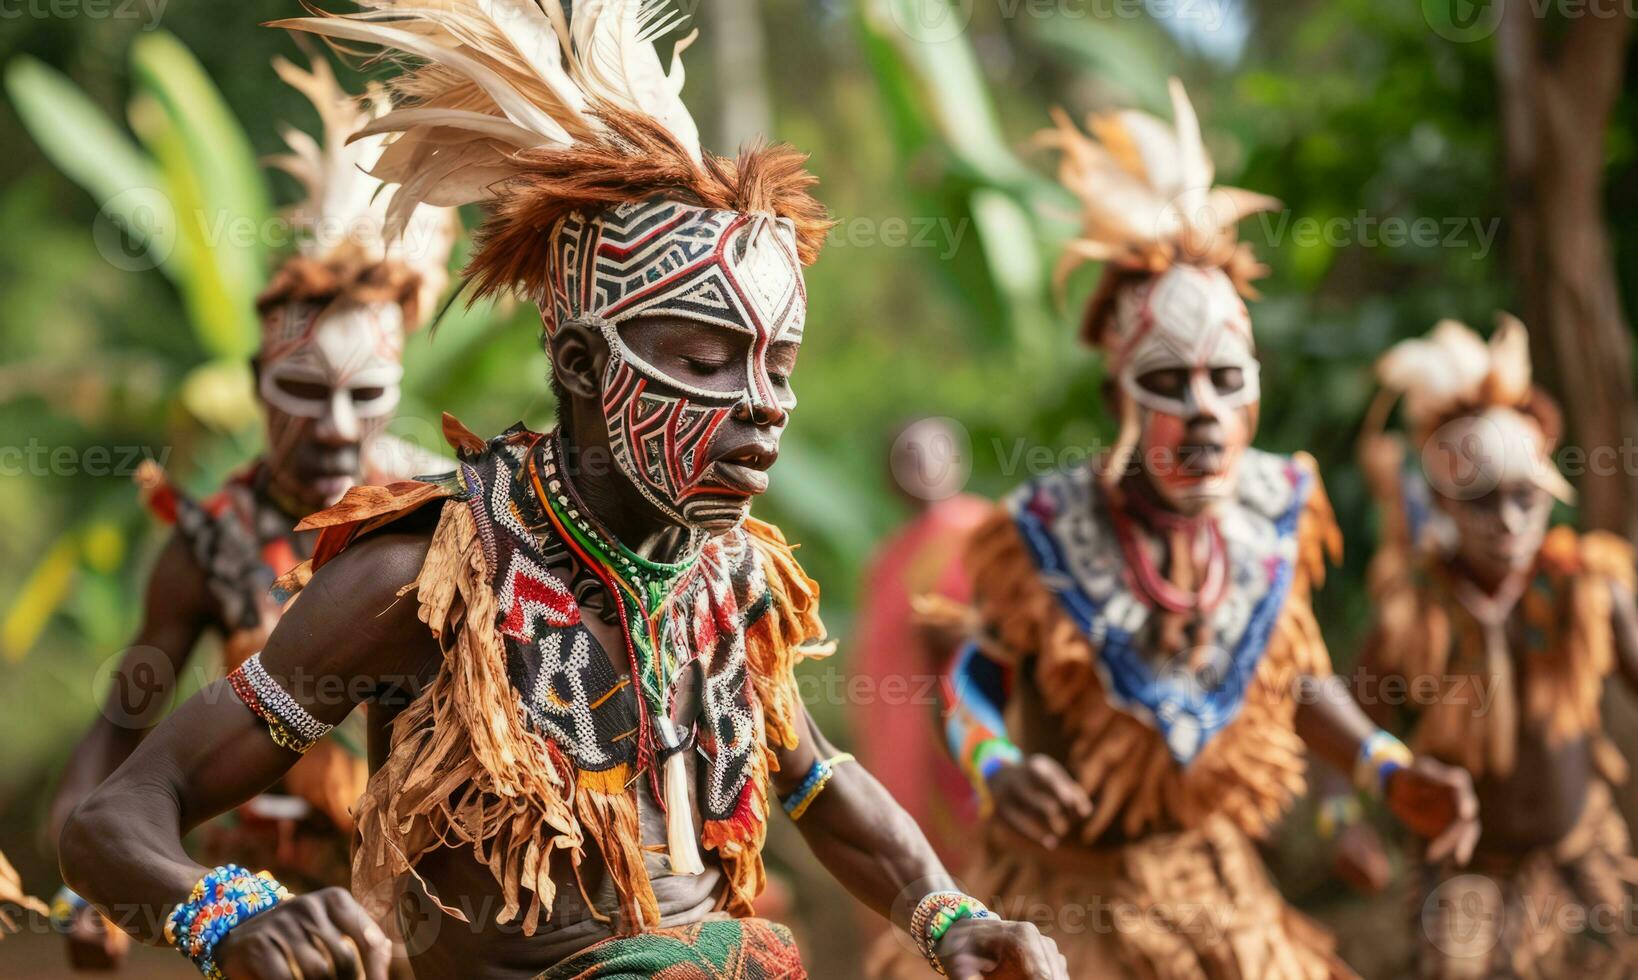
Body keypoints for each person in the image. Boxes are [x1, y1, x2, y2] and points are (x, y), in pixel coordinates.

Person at [59, 4, 1068, 978]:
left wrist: (949, 912)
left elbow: (812, 777)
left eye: (776, 363)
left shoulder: (731, 574)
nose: (762, 405)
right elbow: (114, 817)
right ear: (582, 363)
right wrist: (232, 911)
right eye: (707, 359)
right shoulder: (425, 582)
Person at [877, 80, 1481, 979]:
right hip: (1067, 901)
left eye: (1227, 379)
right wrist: (997, 763)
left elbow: (1294, 677)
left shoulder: (1275, 509)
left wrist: (1386, 768)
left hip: (1216, 887)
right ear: (1114, 395)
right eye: (1169, 381)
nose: (1203, 411)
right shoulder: (1044, 528)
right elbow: (978, 667)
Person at [45, 50, 455, 970]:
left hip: (424, 911)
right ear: (255, 382)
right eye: (303, 389)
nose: (336, 425)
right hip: (255, 912)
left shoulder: (449, 517)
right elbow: (122, 727)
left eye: (368, 392)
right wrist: (99, 881)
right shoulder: (207, 544)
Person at [1340, 314, 1638, 977]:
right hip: (1468, 870)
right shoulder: (1412, 612)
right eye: (1482, 500)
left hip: (1583, 850)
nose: (1508, 521)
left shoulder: (1587, 591)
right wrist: (1342, 818)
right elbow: (1346, 726)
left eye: (1526, 498)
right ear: (1444, 502)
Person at [853, 418, 991, 870]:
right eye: (910, 455)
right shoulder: (889, 558)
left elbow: (1021, 626)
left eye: (936, 450)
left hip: (968, 728)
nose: (926, 464)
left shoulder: (988, 533)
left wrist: (965, 628)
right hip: (901, 731)